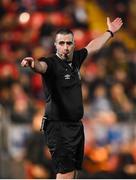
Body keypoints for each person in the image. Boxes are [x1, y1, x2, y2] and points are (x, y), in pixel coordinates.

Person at [21, 17, 123, 179]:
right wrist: (33, 64)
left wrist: (109, 32)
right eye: (61, 43)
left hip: (75, 126)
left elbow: (92, 47)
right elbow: (41, 66)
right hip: (58, 127)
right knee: (65, 174)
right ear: (55, 45)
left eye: (69, 43)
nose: (65, 47)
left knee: (72, 173)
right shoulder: (52, 63)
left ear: (74, 44)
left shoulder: (75, 59)